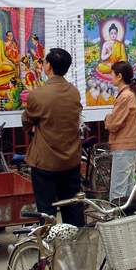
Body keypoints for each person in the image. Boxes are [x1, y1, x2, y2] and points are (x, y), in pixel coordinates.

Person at [22, 48, 84, 226]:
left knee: (46, 210)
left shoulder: (38, 95)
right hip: (71, 160)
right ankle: (77, 240)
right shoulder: (74, 92)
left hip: (45, 162)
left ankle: (49, 241)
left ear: (48, 66)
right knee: (73, 207)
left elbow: (27, 122)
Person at [105, 61, 136, 203]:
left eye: (112, 74)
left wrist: (107, 119)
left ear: (119, 76)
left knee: (118, 191)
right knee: (127, 189)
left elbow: (114, 124)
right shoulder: (130, 94)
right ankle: (127, 214)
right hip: (131, 145)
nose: (110, 78)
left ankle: (118, 215)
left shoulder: (125, 96)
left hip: (124, 146)